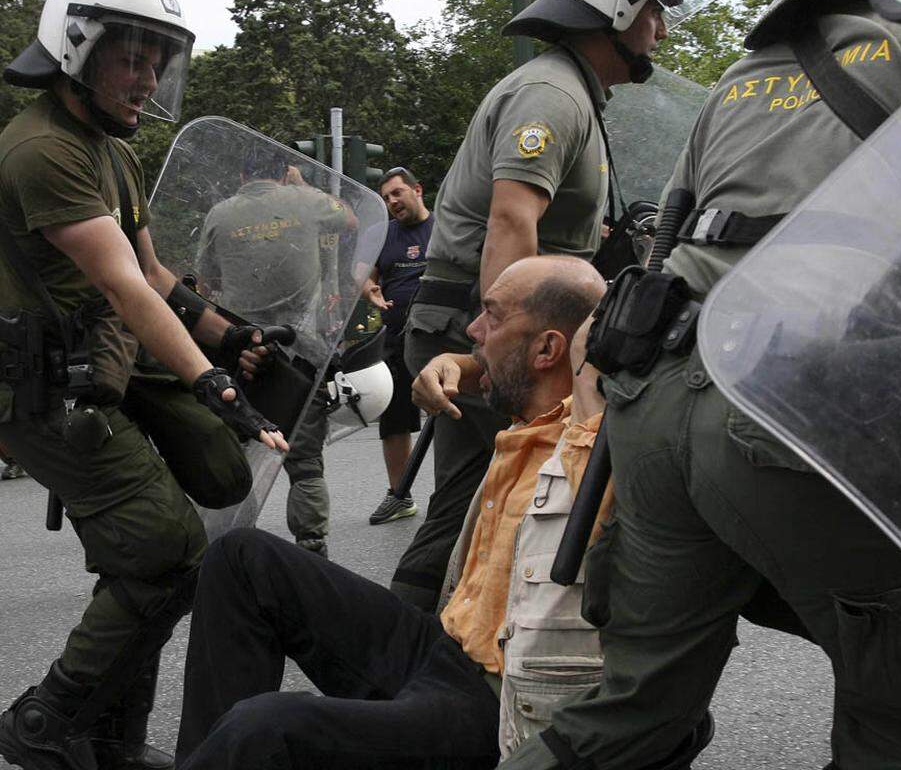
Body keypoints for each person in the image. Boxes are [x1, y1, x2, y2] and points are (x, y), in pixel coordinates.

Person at [498, 0, 901, 770]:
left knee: (633, 708)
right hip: (796, 397)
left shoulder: (744, 74)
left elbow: (666, 243)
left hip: (660, 402)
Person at [0, 0, 288, 770]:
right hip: (42, 388)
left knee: (209, 491)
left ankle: (108, 739)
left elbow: (154, 273)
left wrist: (228, 338)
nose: (148, 80)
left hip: (105, 361)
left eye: (158, 62)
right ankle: (46, 722)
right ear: (75, 52)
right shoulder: (41, 148)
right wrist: (205, 379)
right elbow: (118, 283)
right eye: (131, 58)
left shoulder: (114, 151)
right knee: (167, 552)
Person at [173, 255, 609, 770]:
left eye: (491, 316)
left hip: (492, 702)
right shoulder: (529, 411)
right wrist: (462, 364)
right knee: (241, 559)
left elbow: (608, 405)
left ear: (549, 349)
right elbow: (518, 365)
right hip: (443, 648)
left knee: (266, 729)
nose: (471, 330)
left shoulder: (604, 448)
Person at [392, 0, 716, 611]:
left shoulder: (574, 95)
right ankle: (399, 660)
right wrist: (499, 350)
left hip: (485, 314)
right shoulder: (553, 96)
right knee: (476, 498)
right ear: (616, 12)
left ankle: (433, 657)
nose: (663, 28)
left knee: (482, 498)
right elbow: (512, 221)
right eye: (654, 10)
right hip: (480, 315)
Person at [195, 147, 353, 558]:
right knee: (303, 460)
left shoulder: (220, 213)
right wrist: (302, 186)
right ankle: (311, 543)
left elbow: (205, 282)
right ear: (284, 173)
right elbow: (350, 218)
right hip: (302, 353)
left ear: (243, 176)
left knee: (232, 453)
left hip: (240, 352)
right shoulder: (306, 200)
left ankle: (221, 542)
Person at [361, 166, 432, 525]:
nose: (392, 201)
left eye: (397, 193)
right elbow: (364, 276)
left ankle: (467, 492)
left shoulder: (444, 227)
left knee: (457, 414)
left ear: (417, 190)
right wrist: (370, 290)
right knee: (393, 417)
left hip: (440, 337)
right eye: (387, 197)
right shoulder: (381, 235)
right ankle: (399, 494)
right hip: (395, 337)